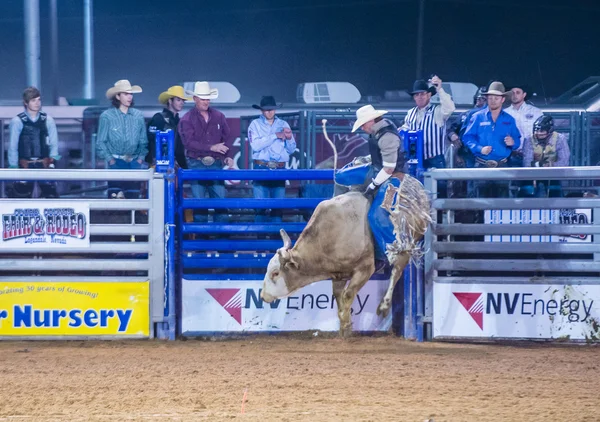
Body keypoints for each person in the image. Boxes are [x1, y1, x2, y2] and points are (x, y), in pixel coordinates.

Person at [335, 105, 407, 271]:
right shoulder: (378, 132)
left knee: (376, 214)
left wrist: (374, 184)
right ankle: (338, 209)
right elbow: (381, 157)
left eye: (363, 124)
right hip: (377, 168)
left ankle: (393, 250)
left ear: (371, 120)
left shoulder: (387, 136)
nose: (362, 127)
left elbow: (389, 168)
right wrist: (364, 160)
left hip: (395, 176)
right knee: (340, 176)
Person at [179, 81, 233, 222]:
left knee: (220, 202)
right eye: (203, 98)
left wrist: (227, 156)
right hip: (197, 164)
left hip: (215, 163)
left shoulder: (219, 116)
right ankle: (201, 240)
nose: (206, 101)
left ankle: (222, 239)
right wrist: (212, 147)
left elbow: (226, 137)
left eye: (207, 98)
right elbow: (189, 143)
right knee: (199, 203)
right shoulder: (186, 119)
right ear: (195, 99)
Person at [463, 81, 521, 197]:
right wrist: (480, 148)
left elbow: (517, 140)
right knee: (480, 204)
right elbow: (467, 137)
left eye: (496, 98)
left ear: (502, 99)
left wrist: (513, 143)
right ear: (487, 99)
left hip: (502, 166)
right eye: (490, 98)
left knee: (502, 204)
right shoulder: (477, 117)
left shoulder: (510, 120)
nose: (493, 100)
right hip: (481, 165)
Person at [96, 80, 148, 199]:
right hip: (116, 161)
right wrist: (111, 160)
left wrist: (140, 159)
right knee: (115, 198)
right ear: (118, 96)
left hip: (134, 162)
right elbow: (100, 141)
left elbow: (143, 140)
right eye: (126, 94)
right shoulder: (107, 116)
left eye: (131, 94)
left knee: (134, 197)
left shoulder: (138, 115)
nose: (129, 97)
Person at [248, 96, 296, 222]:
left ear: (275, 110)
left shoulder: (283, 124)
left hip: (279, 168)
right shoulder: (255, 125)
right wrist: (275, 135)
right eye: (266, 109)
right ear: (261, 111)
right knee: (260, 208)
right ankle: (261, 239)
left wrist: (290, 137)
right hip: (261, 167)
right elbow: (255, 145)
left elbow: (291, 149)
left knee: (278, 208)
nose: (269, 112)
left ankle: (277, 239)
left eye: (271, 109)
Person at [7, 87, 61, 198]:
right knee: (21, 195)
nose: (37, 103)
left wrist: (52, 162)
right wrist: (13, 166)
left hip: (44, 163)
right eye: (33, 100)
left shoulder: (48, 120)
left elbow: (54, 142)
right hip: (24, 164)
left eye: (39, 100)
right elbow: (13, 145)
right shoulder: (17, 121)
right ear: (26, 103)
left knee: (50, 196)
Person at [402, 75, 455, 170]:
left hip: (434, 160)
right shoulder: (410, 113)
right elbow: (405, 130)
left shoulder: (437, 111)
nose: (419, 97)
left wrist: (440, 89)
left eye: (422, 94)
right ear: (414, 97)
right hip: (415, 159)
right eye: (416, 95)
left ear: (429, 95)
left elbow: (450, 108)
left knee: (438, 185)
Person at [520, 115, 570, 197]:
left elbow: (564, 161)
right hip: (533, 173)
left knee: (555, 189)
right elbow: (527, 163)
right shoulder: (529, 139)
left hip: (554, 173)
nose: (539, 133)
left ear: (549, 130)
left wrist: (551, 166)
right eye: (537, 131)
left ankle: (556, 206)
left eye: (542, 131)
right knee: (526, 189)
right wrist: (540, 166)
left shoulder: (560, 139)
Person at [147, 85, 189, 167]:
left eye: (183, 101)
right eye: (178, 100)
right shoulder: (158, 118)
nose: (182, 103)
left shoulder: (180, 121)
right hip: (160, 162)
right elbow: (150, 142)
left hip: (177, 163)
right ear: (170, 101)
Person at [504, 84, 543, 167]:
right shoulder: (504, 113)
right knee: (513, 179)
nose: (514, 95)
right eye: (512, 93)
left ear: (524, 95)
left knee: (531, 178)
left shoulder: (535, 112)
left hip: (532, 154)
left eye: (518, 93)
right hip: (511, 155)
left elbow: (542, 133)